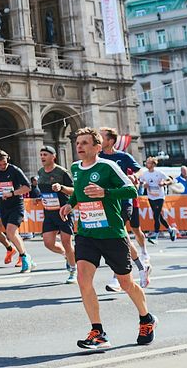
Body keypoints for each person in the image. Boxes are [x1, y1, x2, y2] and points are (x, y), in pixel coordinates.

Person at [56, 127, 155, 350]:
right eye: (78, 142)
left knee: (125, 283)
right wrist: (69, 205)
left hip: (111, 234)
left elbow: (131, 190)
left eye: (84, 143)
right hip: (86, 234)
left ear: (97, 147)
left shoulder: (108, 166)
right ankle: (98, 332)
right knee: (83, 280)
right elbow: (79, 193)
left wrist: (106, 193)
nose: (79, 146)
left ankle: (146, 318)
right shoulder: (75, 168)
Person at [97, 128, 150, 288]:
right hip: (105, 204)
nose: (99, 139)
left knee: (119, 239)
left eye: (102, 137)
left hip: (123, 201)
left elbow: (141, 169)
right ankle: (142, 266)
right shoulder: (98, 158)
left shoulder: (123, 157)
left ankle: (117, 278)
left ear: (110, 141)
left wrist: (135, 176)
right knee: (121, 238)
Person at [35, 145, 76, 283]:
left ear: (53, 157)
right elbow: (45, 191)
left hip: (63, 211)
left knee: (66, 242)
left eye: (45, 155)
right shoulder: (40, 172)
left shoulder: (62, 172)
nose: (42, 157)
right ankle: (68, 255)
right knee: (48, 243)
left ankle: (72, 270)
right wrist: (40, 198)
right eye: (41, 155)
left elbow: (74, 191)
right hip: (48, 212)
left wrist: (61, 187)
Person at [0, 150, 31, 271]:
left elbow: (27, 187)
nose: (3, 167)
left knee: (11, 232)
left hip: (16, 205)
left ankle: (24, 257)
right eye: (0, 165)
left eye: (4, 164)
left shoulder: (14, 170)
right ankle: (10, 248)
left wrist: (12, 193)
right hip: (1, 206)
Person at [137, 158, 176, 242]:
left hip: (160, 197)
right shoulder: (145, 174)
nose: (146, 164)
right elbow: (140, 182)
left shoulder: (159, 173)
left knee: (156, 215)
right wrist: (144, 185)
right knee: (159, 216)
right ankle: (170, 230)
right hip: (151, 197)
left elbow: (170, 180)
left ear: (153, 164)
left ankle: (156, 235)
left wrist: (164, 183)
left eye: (148, 163)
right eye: (146, 163)